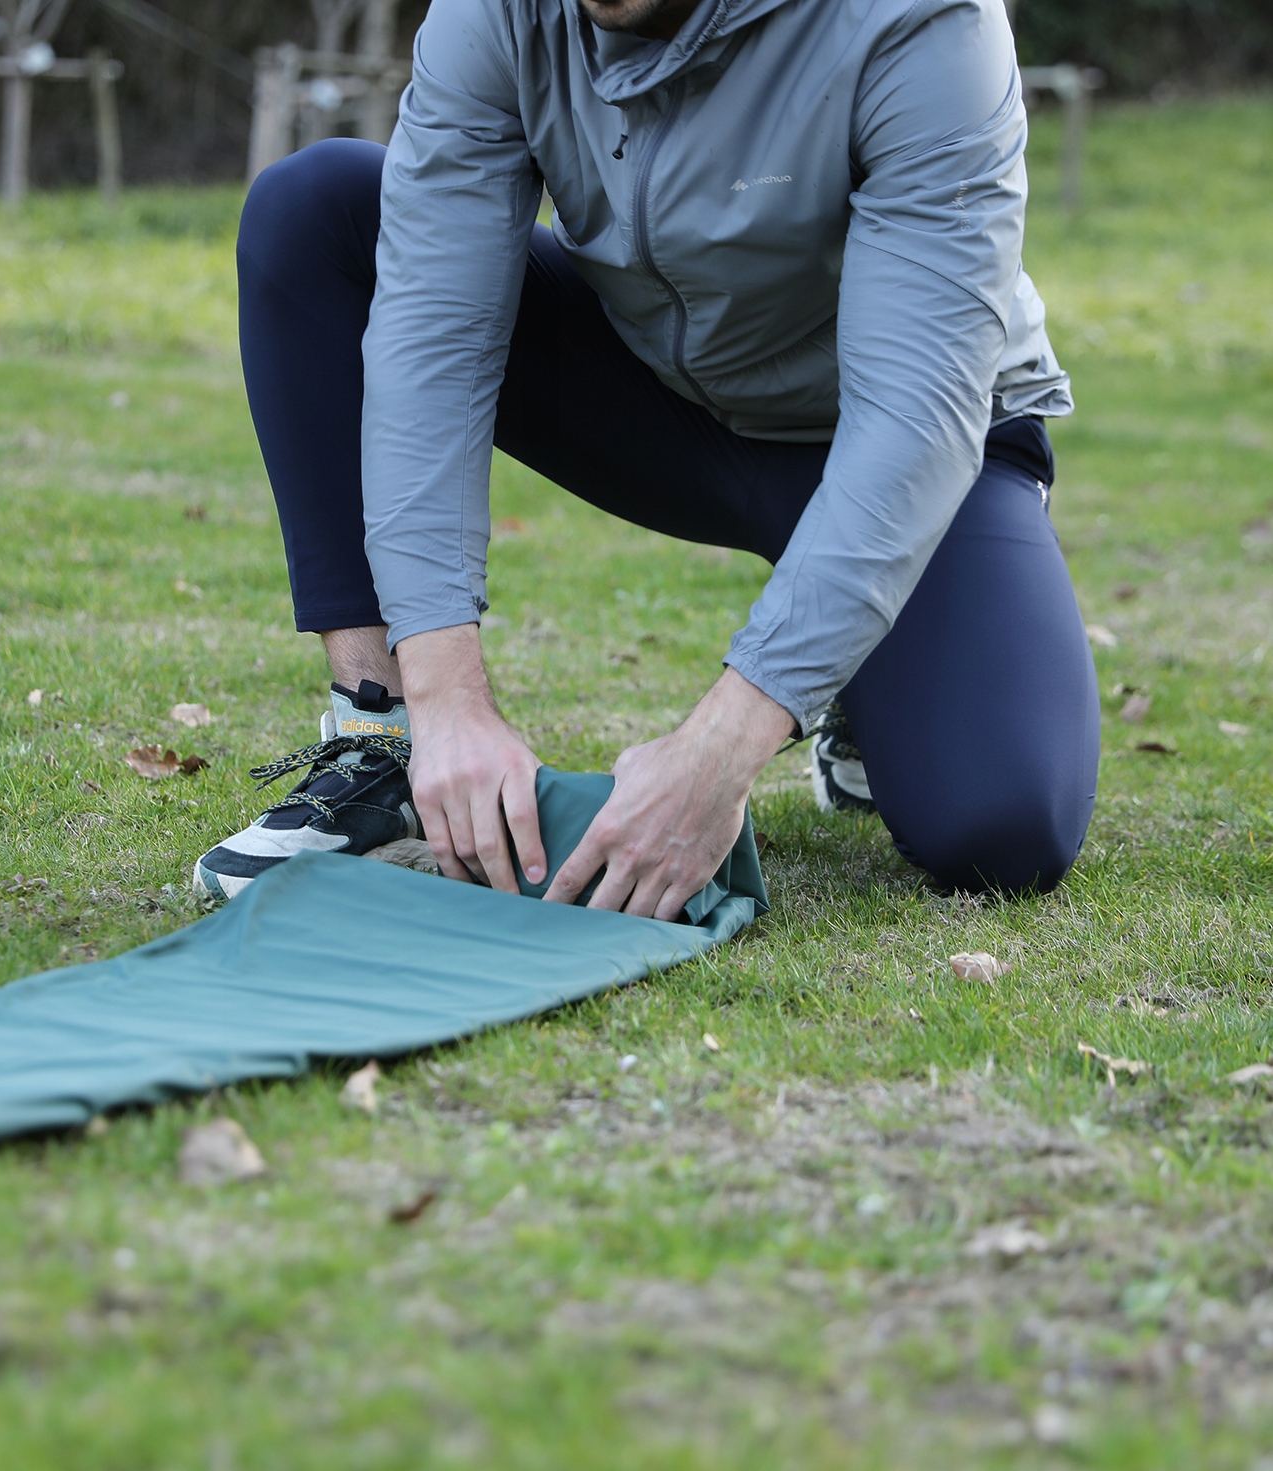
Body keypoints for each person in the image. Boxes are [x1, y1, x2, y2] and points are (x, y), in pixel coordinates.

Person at [192, 0, 1100, 917]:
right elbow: (434, 336)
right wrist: (441, 698)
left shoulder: (924, 18)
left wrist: (722, 748)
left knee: (1002, 827)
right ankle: (381, 740)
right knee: (317, 210)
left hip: (909, 441)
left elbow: (916, 414)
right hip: (665, 404)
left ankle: (858, 664)